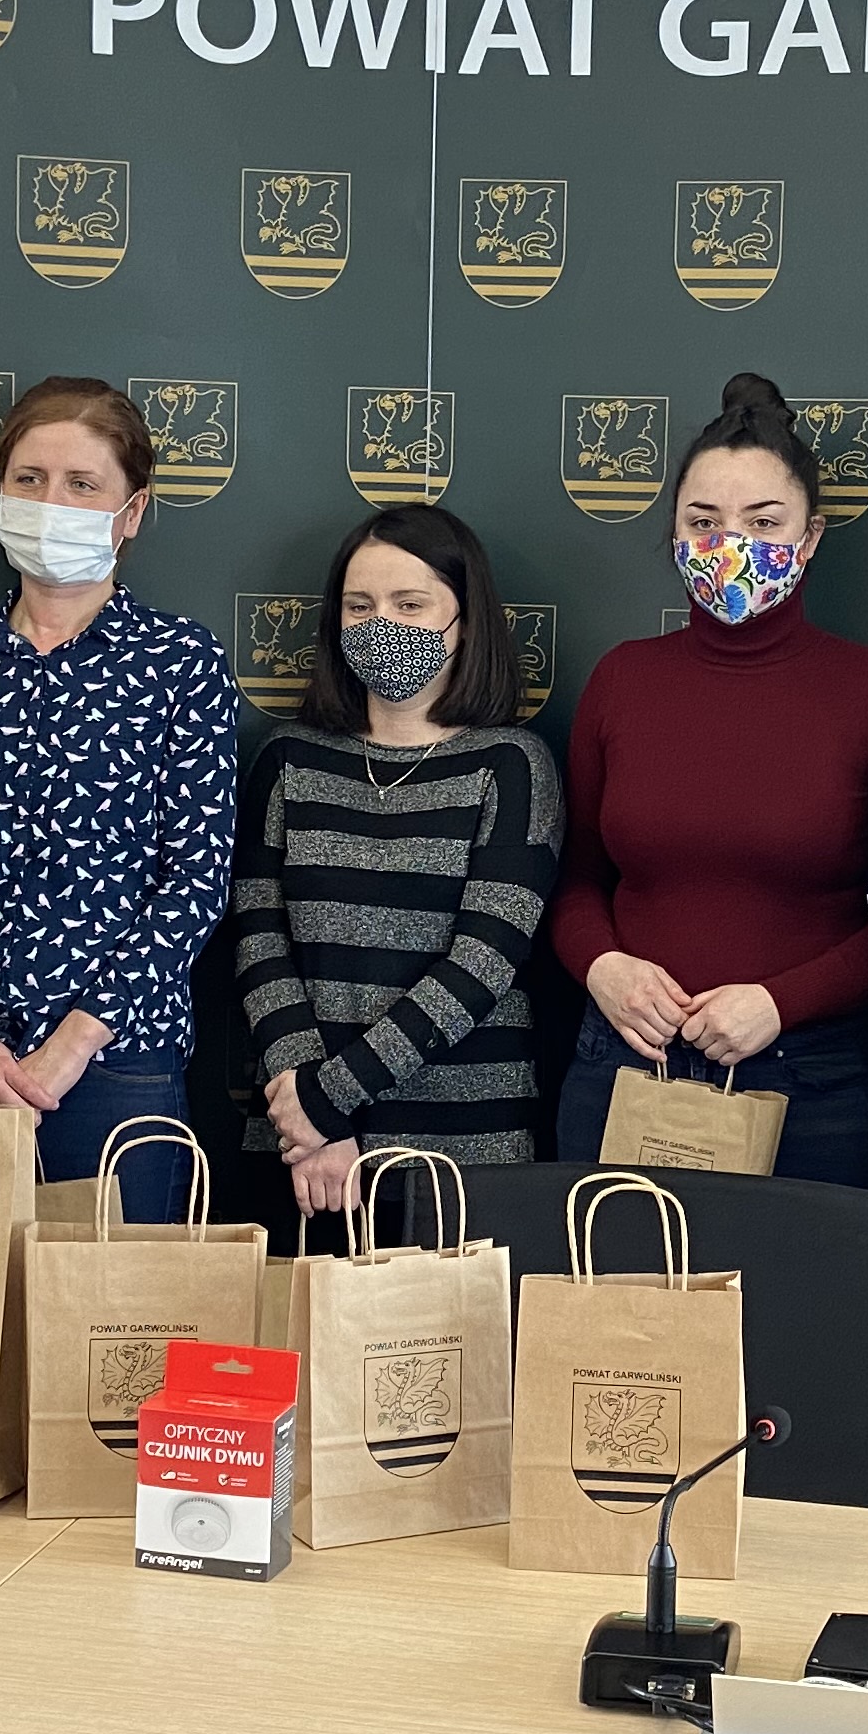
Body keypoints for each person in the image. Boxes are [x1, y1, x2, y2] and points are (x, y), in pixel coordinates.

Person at [0, 376, 239, 1218]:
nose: (52, 503)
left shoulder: (180, 662)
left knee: (117, 1300)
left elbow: (195, 878)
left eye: (82, 484)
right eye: (30, 479)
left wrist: (72, 1046)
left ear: (131, 511)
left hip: (116, 1062)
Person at [549, 374, 868, 1185]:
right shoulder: (622, 680)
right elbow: (576, 879)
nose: (730, 544)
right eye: (704, 521)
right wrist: (604, 968)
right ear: (675, 530)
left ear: (810, 537)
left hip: (808, 1081)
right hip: (626, 1062)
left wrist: (781, 1003)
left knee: (801, 1277)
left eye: (763, 522)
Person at [229, 506, 563, 1213]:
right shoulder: (287, 758)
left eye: (410, 604)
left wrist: (330, 1098)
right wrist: (310, 1112)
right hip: (299, 1147)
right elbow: (259, 938)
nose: (381, 624)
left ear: (464, 619)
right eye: (360, 606)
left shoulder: (512, 765)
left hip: (464, 1151)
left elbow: (485, 962)